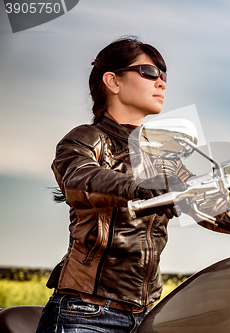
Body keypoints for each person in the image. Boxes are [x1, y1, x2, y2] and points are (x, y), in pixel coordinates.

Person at [35, 36, 192, 333]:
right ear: (113, 81)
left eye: (164, 75)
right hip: (86, 314)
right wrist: (141, 187)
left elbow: (212, 202)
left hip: (148, 316)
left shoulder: (162, 155)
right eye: (149, 72)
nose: (161, 82)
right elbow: (79, 178)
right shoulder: (86, 138)